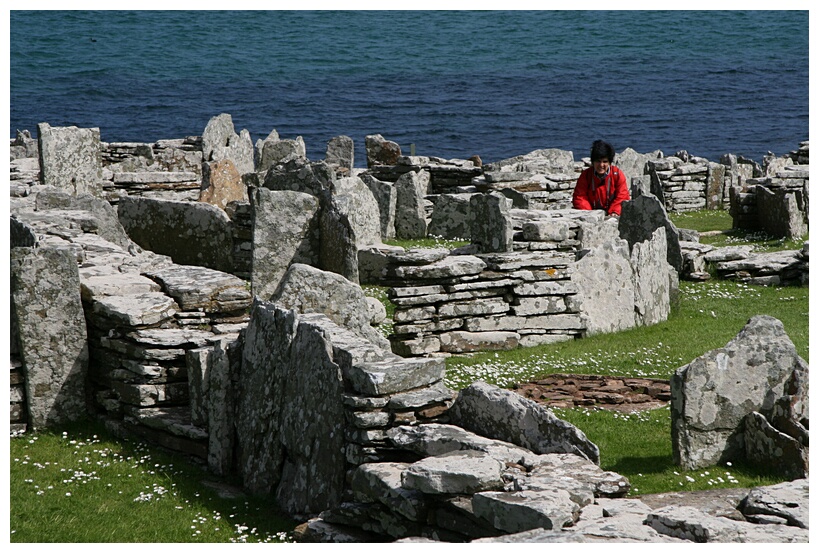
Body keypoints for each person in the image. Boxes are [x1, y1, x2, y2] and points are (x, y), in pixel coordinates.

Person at [572, 140, 630, 216]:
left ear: (609, 162)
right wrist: (590, 214)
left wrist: (614, 212)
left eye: (605, 161)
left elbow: (622, 196)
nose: (601, 165)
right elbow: (579, 197)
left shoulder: (617, 175)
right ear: (593, 162)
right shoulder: (586, 176)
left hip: (613, 214)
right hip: (590, 215)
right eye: (598, 161)